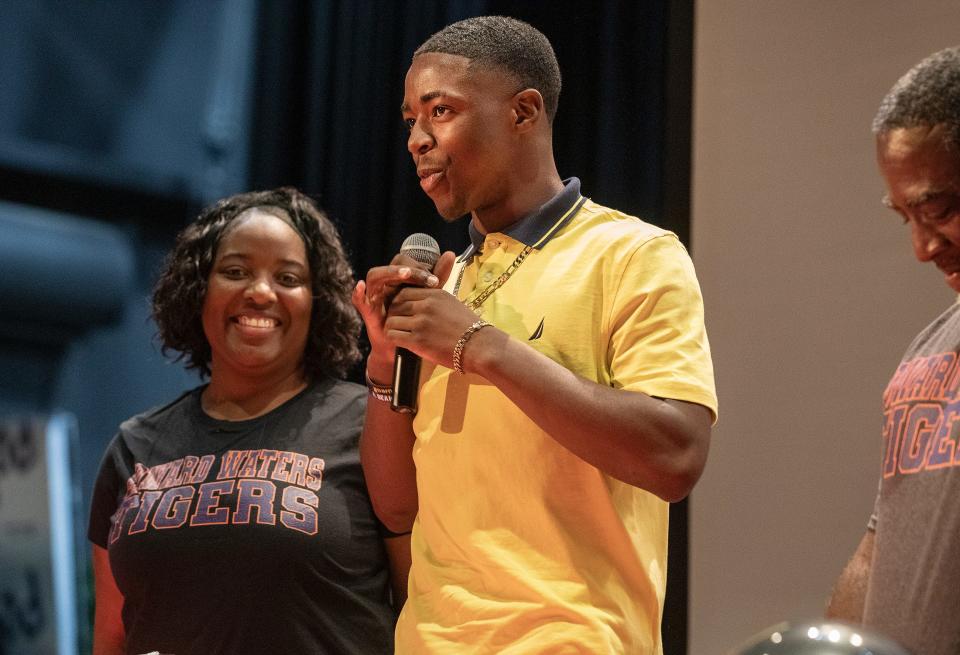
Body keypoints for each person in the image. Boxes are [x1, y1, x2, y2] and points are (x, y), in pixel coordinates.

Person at [352, 16, 717, 654]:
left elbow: (675, 455)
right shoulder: (446, 283)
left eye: (441, 110)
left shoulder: (632, 255)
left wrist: (481, 346)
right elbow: (396, 510)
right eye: (410, 119)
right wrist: (386, 365)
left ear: (524, 111)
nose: (417, 138)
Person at [88, 188, 407, 655]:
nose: (259, 292)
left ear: (317, 301)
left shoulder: (367, 424)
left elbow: (420, 604)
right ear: (199, 290)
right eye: (234, 272)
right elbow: (112, 638)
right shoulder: (134, 446)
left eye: (288, 277)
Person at [826, 46, 960, 655]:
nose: (923, 248)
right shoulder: (926, 352)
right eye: (904, 217)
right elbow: (881, 542)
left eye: (939, 210)